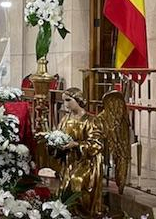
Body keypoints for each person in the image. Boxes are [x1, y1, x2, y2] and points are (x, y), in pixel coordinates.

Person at [54, 88, 104, 218]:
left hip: (86, 162)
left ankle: (82, 214)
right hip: (69, 161)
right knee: (65, 185)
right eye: (64, 101)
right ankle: (68, 214)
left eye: (68, 100)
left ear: (78, 100)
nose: (66, 104)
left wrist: (76, 145)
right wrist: (55, 142)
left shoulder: (91, 120)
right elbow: (59, 135)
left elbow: (97, 143)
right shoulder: (65, 119)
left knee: (77, 181)